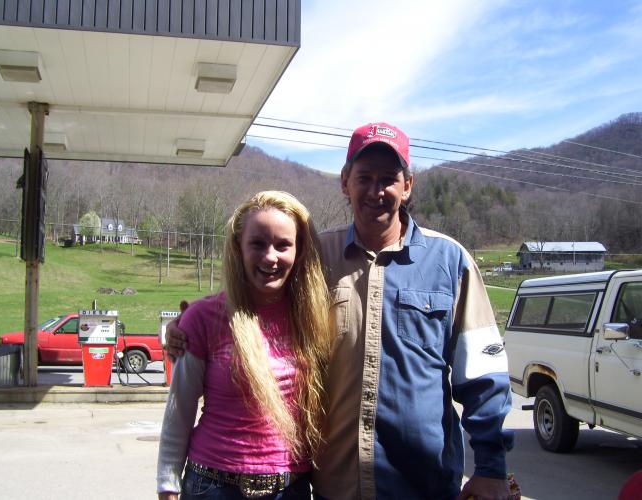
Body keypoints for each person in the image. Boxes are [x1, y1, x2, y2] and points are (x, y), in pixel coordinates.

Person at [167, 123, 514, 500]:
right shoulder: (316, 256)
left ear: (408, 186)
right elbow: (256, 295)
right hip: (336, 485)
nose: (375, 190)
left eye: (388, 178)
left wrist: (491, 467)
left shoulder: (450, 261)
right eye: (364, 177)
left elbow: (483, 375)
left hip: (424, 484)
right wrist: (187, 325)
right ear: (345, 181)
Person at [157, 191, 332, 500]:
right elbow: (179, 412)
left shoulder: (314, 317)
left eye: (283, 245)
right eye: (258, 243)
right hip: (212, 486)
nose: (270, 256)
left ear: (299, 250)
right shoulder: (203, 317)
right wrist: (167, 487)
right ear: (238, 248)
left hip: (290, 488)